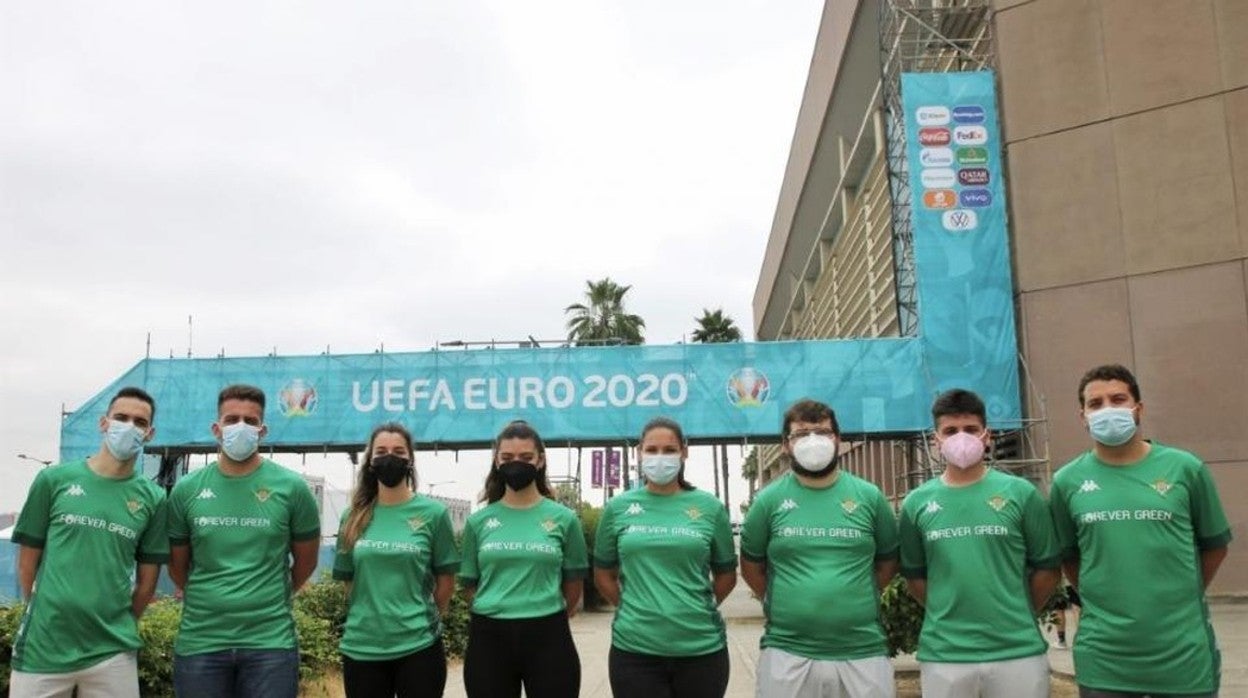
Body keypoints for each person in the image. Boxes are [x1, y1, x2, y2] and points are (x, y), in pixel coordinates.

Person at [1050, 364, 1232, 698]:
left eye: (1118, 399)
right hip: (1104, 658)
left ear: (1138, 409)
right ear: (1083, 416)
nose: (1108, 409)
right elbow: (1069, 556)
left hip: (1182, 654)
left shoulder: (1185, 469)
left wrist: (1177, 594)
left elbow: (1215, 546)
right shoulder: (1066, 482)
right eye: (1096, 403)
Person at [898, 388, 1061, 698]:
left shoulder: (1021, 493)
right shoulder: (916, 503)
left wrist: (1017, 611)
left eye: (971, 429)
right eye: (951, 431)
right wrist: (948, 610)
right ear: (936, 440)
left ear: (987, 436)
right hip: (945, 654)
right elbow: (915, 575)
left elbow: (1048, 568)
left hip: (1018, 650)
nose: (961, 437)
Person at [9, 387, 168, 698]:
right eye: (121, 417)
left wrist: (117, 622)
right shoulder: (53, 481)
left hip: (112, 651)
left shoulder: (154, 499)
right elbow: (28, 562)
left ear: (149, 433)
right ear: (103, 423)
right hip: (44, 647)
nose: (129, 427)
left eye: (139, 422)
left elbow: (147, 585)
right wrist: (45, 611)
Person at [167, 384, 322, 698]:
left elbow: (306, 563)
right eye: (231, 419)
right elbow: (176, 567)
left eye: (250, 421)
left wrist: (266, 595)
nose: (241, 427)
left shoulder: (292, 489)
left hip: (270, 645)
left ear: (262, 430)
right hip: (201, 643)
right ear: (216, 429)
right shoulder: (186, 490)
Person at [740, 398, 899, 698]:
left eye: (823, 432)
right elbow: (750, 566)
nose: (813, 440)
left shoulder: (869, 497)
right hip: (787, 651)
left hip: (863, 651)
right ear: (786, 445)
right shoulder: (768, 502)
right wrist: (785, 600)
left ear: (837, 440)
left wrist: (853, 595)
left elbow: (888, 562)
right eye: (801, 433)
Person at [594, 417, 738, 698]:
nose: (660, 457)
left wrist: (694, 607)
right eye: (652, 449)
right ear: (639, 452)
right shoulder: (618, 508)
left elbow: (727, 575)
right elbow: (602, 573)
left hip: (702, 650)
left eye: (669, 450)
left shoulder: (710, 507)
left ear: (684, 451)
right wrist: (632, 607)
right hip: (634, 652)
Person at [458, 420, 588, 698]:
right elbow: (469, 584)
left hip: (549, 636)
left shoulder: (564, 519)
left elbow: (574, 581)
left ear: (540, 461)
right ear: (496, 461)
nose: (516, 463)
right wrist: (499, 606)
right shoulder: (479, 522)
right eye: (507, 457)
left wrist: (546, 610)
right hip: (489, 638)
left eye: (526, 457)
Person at [333, 422, 460, 698]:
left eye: (398, 451)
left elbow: (446, 582)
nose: (389, 457)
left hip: (419, 646)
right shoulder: (352, 517)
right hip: (362, 646)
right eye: (381, 451)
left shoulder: (434, 514)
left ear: (410, 461)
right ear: (370, 462)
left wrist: (420, 617)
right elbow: (349, 581)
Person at [1051, 583, 1081, 650]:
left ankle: (1062, 641)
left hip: (1059, 582)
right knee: (1076, 606)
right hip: (1073, 579)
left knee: (1058, 609)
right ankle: (1081, 637)